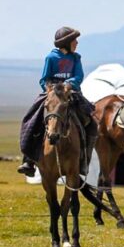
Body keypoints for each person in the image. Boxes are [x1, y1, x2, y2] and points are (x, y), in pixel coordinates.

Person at [17, 27, 98, 177]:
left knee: (92, 123)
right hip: (52, 93)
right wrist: (50, 90)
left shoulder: (76, 58)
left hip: (71, 92)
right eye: (74, 40)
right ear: (66, 42)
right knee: (32, 119)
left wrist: (68, 84)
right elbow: (44, 79)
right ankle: (29, 161)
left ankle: (84, 161)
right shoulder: (51, 58)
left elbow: (79, 76)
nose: (77, 43)